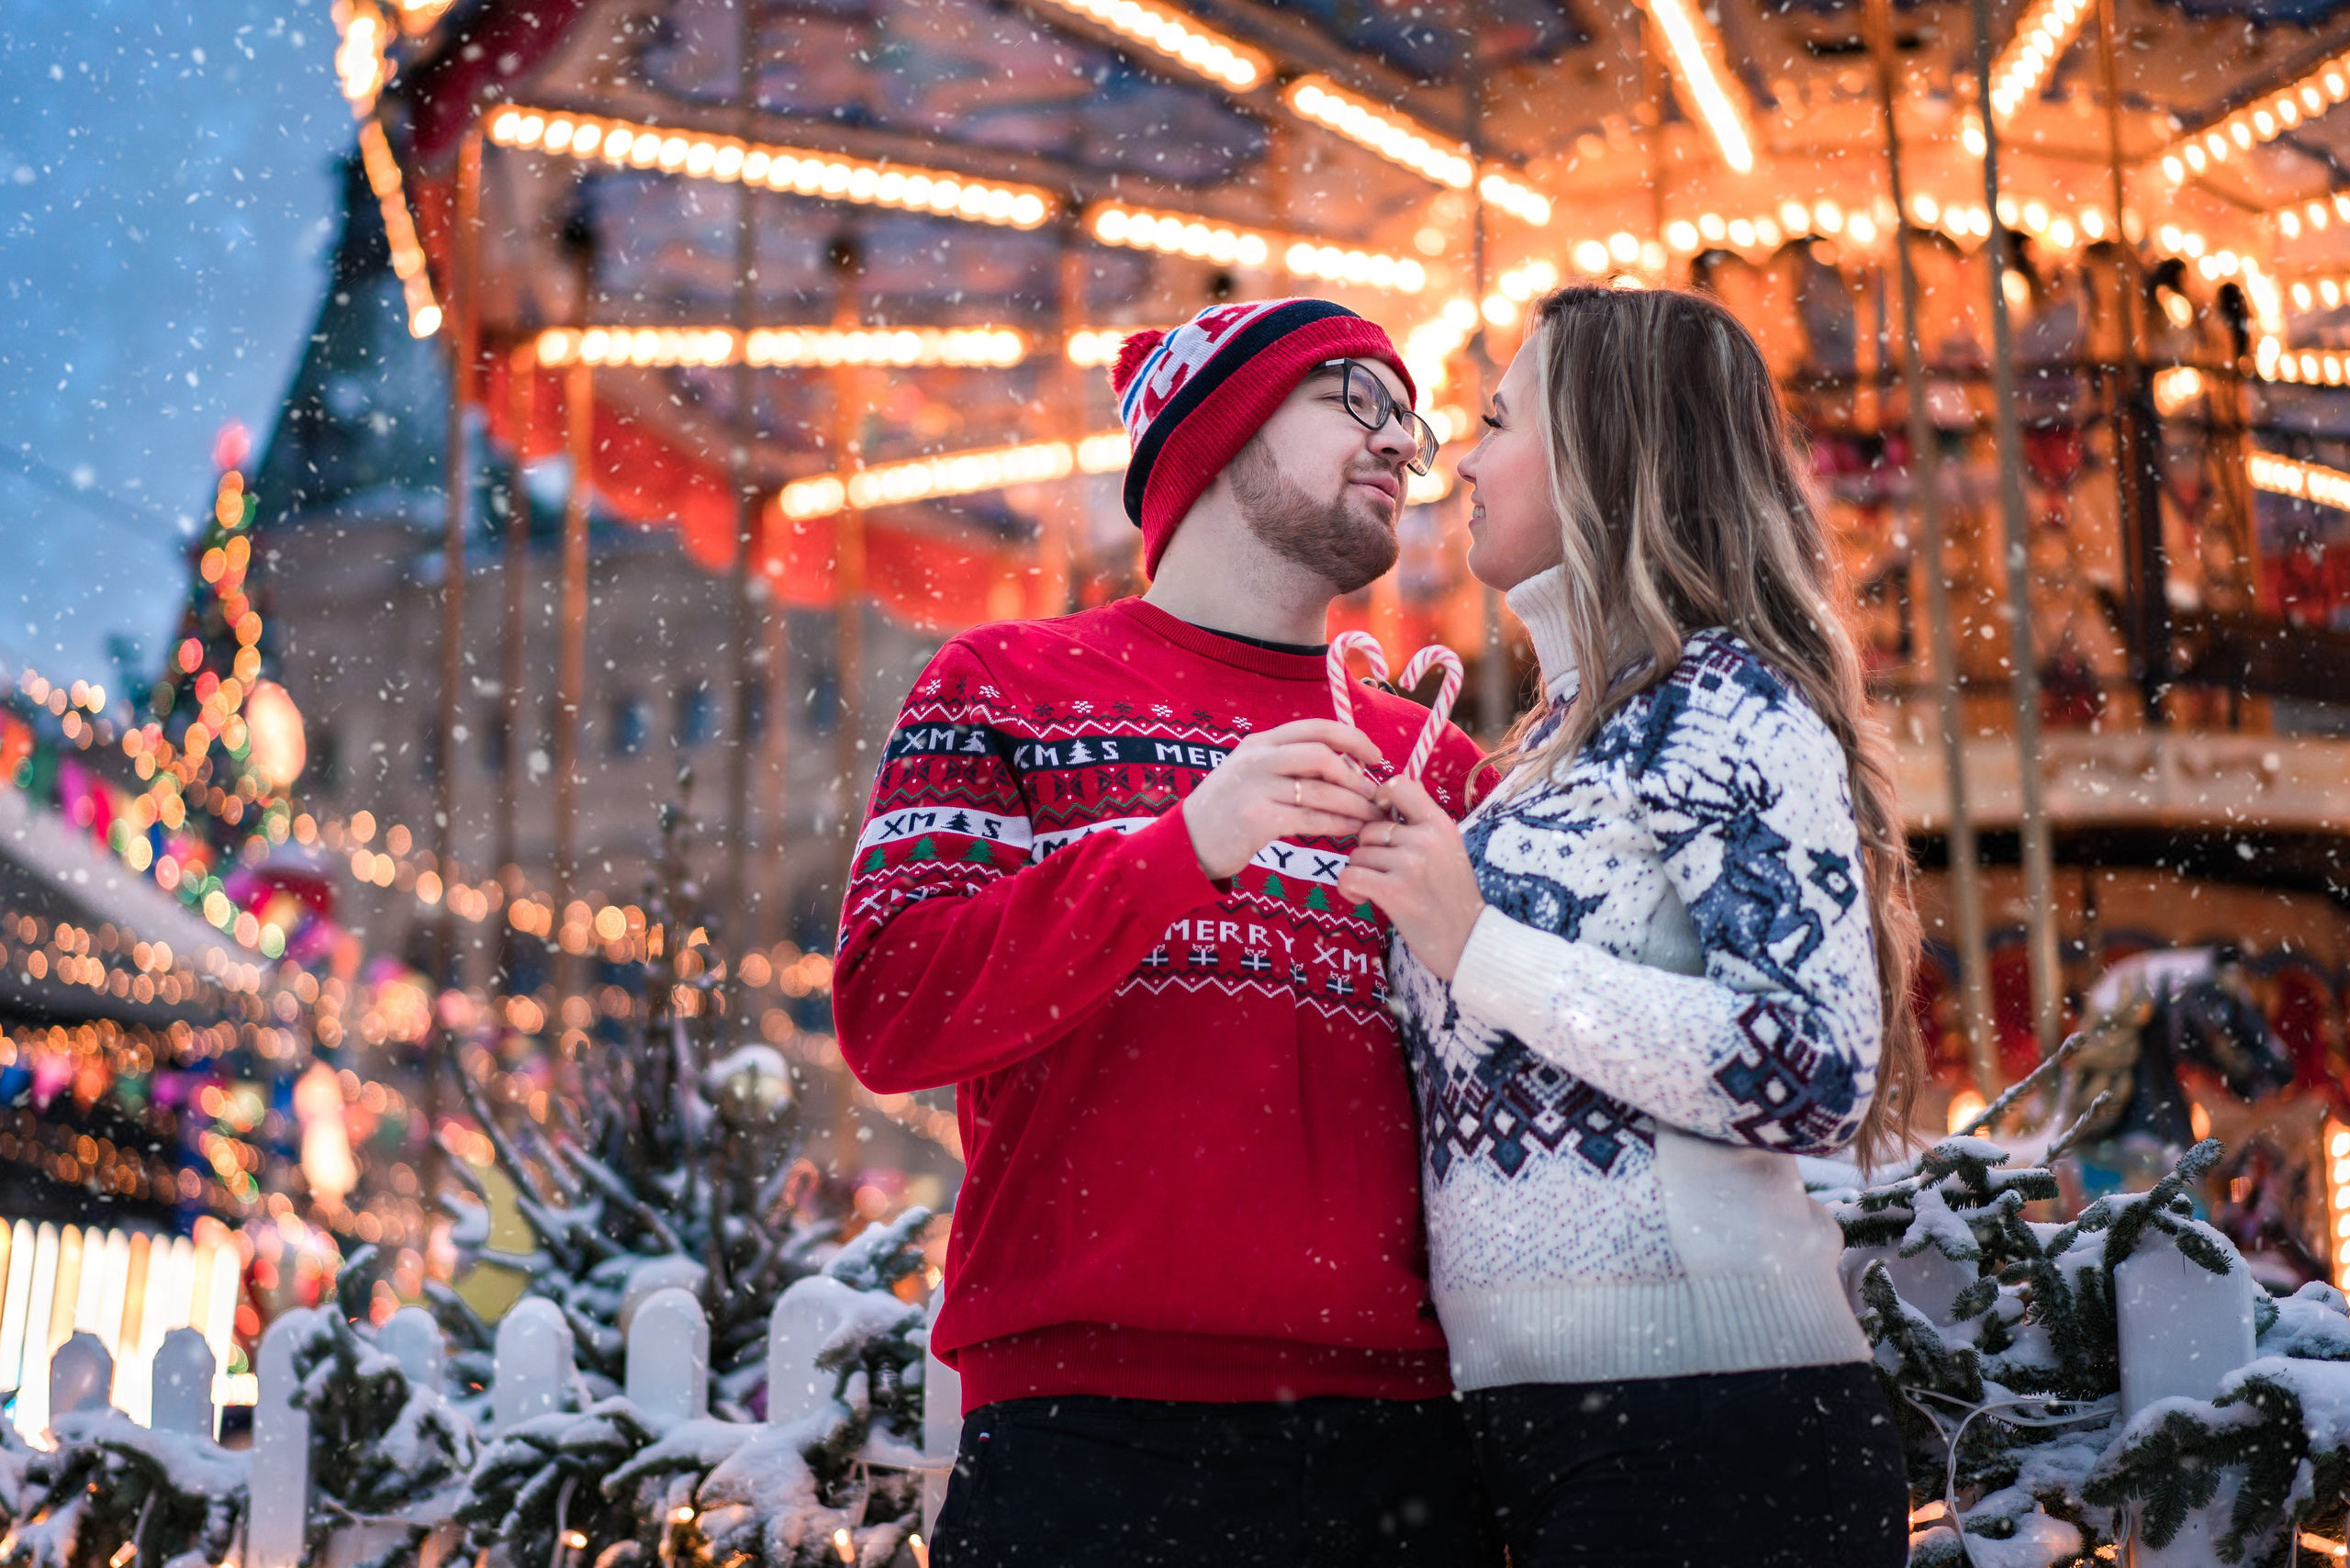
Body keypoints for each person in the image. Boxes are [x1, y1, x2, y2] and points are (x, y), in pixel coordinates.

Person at [833, 298, 1492, 1566]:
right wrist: (1182, 847)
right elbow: (891, 1006)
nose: (1397, 443)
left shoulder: (1436, 764)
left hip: (1398, 1436)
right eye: (1353, 399)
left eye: (1409, 422)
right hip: (1086, 1432)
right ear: (1219, 429)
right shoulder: (1002, 689)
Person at [1337, 285, 1918, 1568]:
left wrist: (1476, 945)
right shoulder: (1544, 750)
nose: (1465, 460)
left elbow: (1813, 1066)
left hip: (1704, 1416)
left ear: (1607, 451)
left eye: (1498, 422)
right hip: (1527, 1422)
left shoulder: (1721, 701)